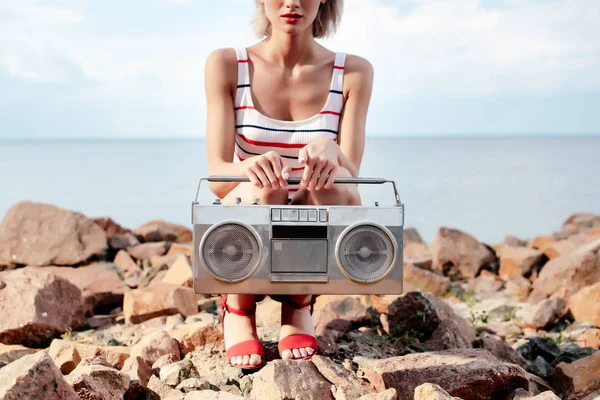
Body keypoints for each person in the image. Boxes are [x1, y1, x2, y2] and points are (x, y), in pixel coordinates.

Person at [204, 0, 373, 369]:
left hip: (312, 210)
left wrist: (331, 149)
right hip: (254, 204)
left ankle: (297, 306)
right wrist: (250, 166)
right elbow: (217, 176)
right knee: (269, 189)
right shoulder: (227, 64)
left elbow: (352, 178)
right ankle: (239, 307)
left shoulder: (354, 72)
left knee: (331, 186)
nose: (293, 2)